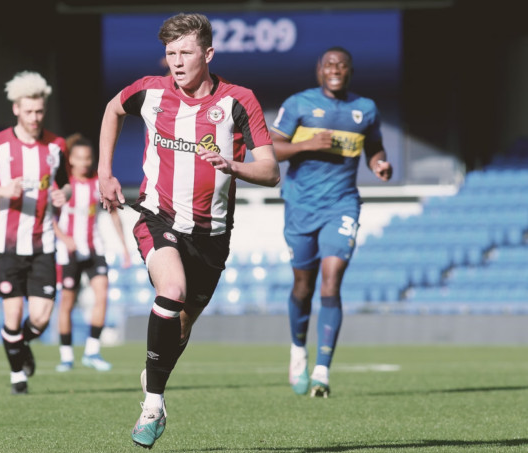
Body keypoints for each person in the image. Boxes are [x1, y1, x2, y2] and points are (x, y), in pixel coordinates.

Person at [98, 13, 280, 449]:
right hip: (157, 215)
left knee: (179, 327)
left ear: (208, 54)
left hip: (212, 234)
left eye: (186, 52)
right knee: (172, 288)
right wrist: (104, 173)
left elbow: (271, 171)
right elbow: (111, 109)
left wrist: (234, 165)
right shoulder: (149, 91)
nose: (176, 61)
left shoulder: (239, 101)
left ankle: (154, 376)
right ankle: (153, 406)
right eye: (170, 53)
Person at [269, 46, 393, 398]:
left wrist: (380, 164)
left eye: (342, 65)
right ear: (319, 70)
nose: (335, 69)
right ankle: (298, 351)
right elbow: (271, 150)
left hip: (342, 204)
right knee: (303, 287)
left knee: (331, 283)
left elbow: (375, 148)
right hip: (300, 206)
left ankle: (322, 371)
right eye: (329, 64)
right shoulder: (298, 104)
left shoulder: (365, 109)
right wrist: (307, 144)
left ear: (350, 71)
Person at [0, 71, 71, 395]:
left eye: (39, 111)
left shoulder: (56, 145)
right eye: (28, 112)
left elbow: (66, 182)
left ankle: (21, 346)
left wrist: (63, 195)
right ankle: (17, 377)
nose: (35, 118)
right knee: (12, 315)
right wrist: (2, 189)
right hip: (7, 244)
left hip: (43, 243)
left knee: (39, 318)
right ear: (16, 109)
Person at [53, 133, 131, 373]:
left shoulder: (99, 183)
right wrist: (64, 238)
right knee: (66, 303)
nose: (84, 162)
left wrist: (125, 248)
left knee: (102, 295)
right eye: (79, 158)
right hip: (69, 253)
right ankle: (66, 356)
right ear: (72, 160)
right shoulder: (65, 185)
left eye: (88, 158)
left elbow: (114, 214)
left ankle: (92, 352)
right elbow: (49, 217)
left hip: (95, 249)